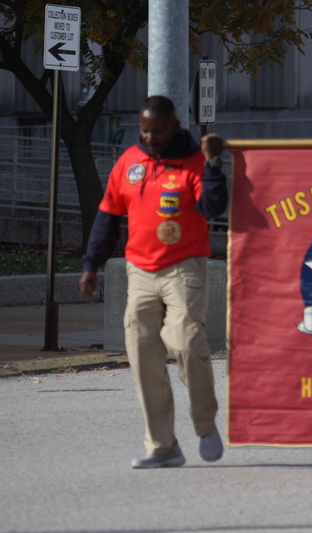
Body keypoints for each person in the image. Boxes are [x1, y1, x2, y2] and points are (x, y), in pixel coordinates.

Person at [79, 95, 228, 469]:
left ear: (175, 127)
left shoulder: (194, 160)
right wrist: (91, 264)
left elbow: (213, 207)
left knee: (186, 341)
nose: (150, 138)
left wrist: (212, 163)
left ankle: (205, 423)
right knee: (142, 350)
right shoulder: (129, 163)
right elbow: (107, 216)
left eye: (157, 131)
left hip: (184, 268)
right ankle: (162, 446)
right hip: (140, 272)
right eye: (144, 131)